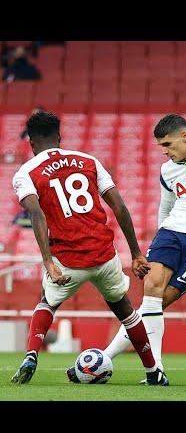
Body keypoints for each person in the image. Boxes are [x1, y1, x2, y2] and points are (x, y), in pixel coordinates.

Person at [66, 56, 186, 383]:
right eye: (161, 147)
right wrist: (151, 245)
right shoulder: (167, 170)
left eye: (169, 145)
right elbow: (165, 206)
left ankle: (103, 358)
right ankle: (154, 369)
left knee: (161, 302)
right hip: (171, 233)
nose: (165, 152)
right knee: (150, 295)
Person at [10, 111, 168, 385]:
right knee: (127, 312)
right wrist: (136, 253)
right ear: (59, 138)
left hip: (68, 259)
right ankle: (153, 371)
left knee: (47, 302)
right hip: (104, 255)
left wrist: (47, 261)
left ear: (32, 143)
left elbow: (37, 214)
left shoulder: (26, 173)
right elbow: (118, 205)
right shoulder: (89, 161)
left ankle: (32, 355)